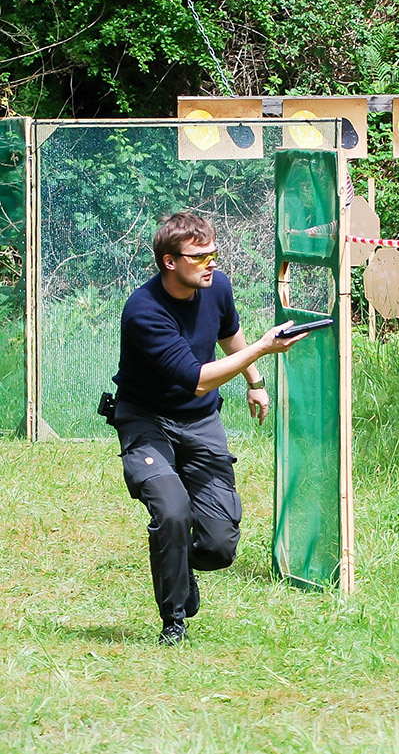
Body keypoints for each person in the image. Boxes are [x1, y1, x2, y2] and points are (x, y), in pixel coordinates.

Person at [111, 212, 308, 646]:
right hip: (146, 419)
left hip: (199, 419)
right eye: (199, 257)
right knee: (172, 512)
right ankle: (175, 619)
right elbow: (197, 377)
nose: (211, 263)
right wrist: (264, 348)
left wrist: (255, 382)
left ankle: (180, 565)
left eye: (213, 253)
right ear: (169, 261)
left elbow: (228, 333)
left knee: (219, 546)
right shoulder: (144, 311)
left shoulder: (215, 286)